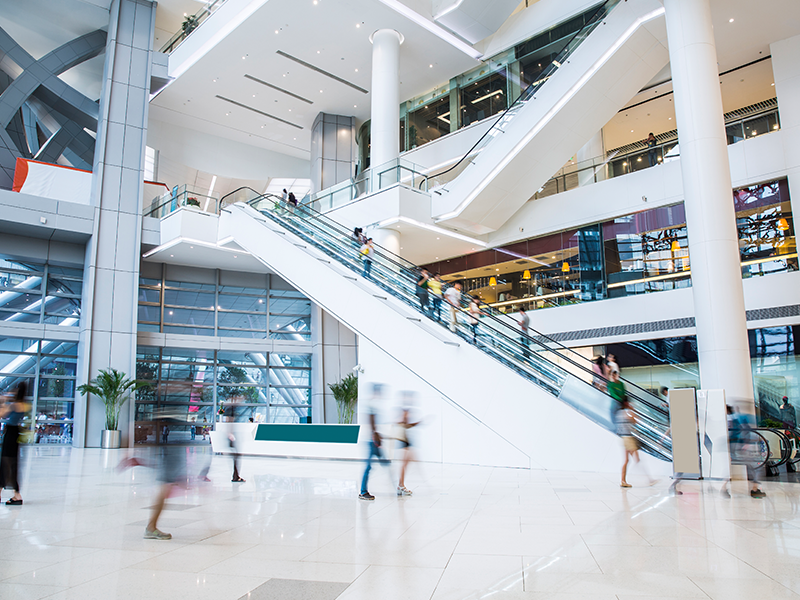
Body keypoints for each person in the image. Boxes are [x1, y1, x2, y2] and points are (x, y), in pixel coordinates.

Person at [721, 405, 766, 498]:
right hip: (739, 447)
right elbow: (743, 431)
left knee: (737, 468)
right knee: (757, 466)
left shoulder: (728, 419)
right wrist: (746, 443)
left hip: (733, 447)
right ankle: (754, 489)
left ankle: (724, 487)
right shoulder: (736, 419)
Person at [360, 383, 391, 501]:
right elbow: (371, 421)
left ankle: (397, 486)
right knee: (369, 466)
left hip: (373, 439)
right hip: (371, 440)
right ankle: (363, 492)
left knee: (384, 463)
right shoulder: (371, 404)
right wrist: (375, 436)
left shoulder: (373, 403)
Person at [0, 382, 30, 505]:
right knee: (11, 464)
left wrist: (4, 400)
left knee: (6, 464)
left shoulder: (13, 405)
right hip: (15, 435)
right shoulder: (24, 405)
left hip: (10, 435)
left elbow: (1, 414)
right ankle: (14, 494)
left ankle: (17, 495)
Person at [616, 399, 654, 488]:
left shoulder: (619, 413)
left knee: (627, 460)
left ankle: (623, 480)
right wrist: (632, 410)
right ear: (626, 403)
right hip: (628, 438)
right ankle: (649, 479)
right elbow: (635, 421)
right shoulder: (626, 413)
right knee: (636, 459)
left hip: (624, 437)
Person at [396, 391, 421, 497]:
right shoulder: (405, 410)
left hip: (406, 440)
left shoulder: (406, 410)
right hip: (404, 440)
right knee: (405, 463)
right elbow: (405, 424)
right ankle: (400, 486)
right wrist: (418, 423)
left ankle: (401, 485)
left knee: (407, 462)